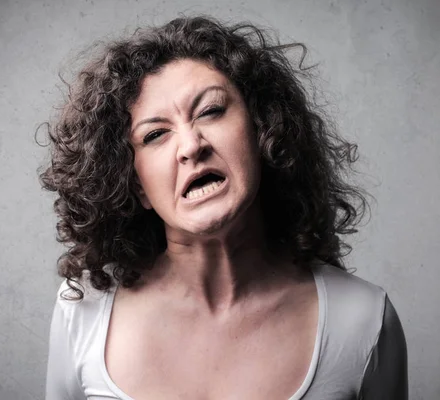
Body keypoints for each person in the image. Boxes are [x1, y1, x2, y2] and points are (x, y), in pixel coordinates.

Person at [40, 16, 408, 400]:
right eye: (154, 135)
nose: (190, 145)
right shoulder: (83, 311)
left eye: (211, 111)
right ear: (135, 185)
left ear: (264, 132)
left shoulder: (364, 320)